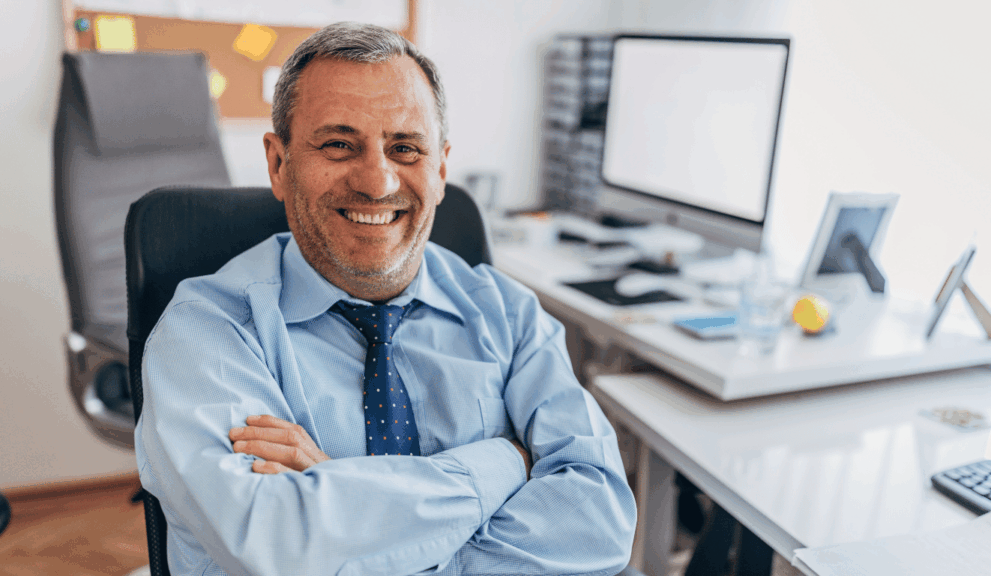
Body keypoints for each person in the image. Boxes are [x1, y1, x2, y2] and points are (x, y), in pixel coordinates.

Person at [134, 21, 636, 576]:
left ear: (440, 170)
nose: (377, 182)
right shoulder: (206, 331)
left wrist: (344, 499)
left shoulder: (510, 316)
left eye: (405, 148)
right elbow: (276, 544)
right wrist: (505, 463)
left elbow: (599, 519)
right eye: (339, 145)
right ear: (279, 164)